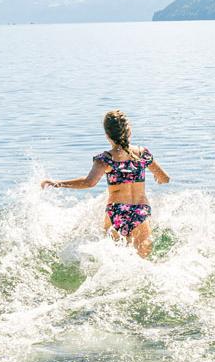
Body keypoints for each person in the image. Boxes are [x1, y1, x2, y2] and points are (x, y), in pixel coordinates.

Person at [41, 110, 169, 258]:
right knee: (142, 262)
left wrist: (58, 183)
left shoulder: (105, 159)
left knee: (114, 261)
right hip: (141, 211)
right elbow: (165, 178)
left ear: (107, 135)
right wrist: (158, 178)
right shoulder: (143, 154)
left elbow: (89, 182)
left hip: (116, 212)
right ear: (129, 131)